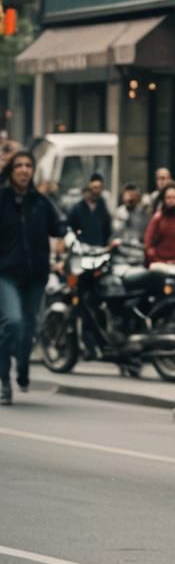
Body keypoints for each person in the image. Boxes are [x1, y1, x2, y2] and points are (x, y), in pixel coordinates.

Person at [0, 151, 67, 404]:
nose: (24, 170)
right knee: (13, 322)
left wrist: (65, 232)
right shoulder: (2, 199)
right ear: (11, 171)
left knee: (30, 329)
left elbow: (59, 225)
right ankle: (4, 382)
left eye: (28, 165)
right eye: (19, 165)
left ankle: (23, 369)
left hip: (35, 276)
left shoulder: (41, 202)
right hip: (6, 274)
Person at [144, 183, 175, 264]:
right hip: (159, 261)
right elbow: (148, 240)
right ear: (164, 199)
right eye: (168, 197)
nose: (171, 200)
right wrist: (152, 255)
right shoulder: (158, 217)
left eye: (174, 197)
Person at [68, 173, 112, 246]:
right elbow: (70, 225)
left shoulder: (104, 207)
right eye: (95, 187)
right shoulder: (78, 207)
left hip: (99, 247)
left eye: (99, 188)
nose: (97, 191)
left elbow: (107, 228)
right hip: (81, 246)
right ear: (89, 187)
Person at [113, 183, 151, 265]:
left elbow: (146, 235)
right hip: (121, 256)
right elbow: (115, 235)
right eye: (127, 196)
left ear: (138, 197)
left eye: (133, 196)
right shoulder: (119, 212)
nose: (130, 198)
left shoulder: (143, 213)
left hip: (138, 254)